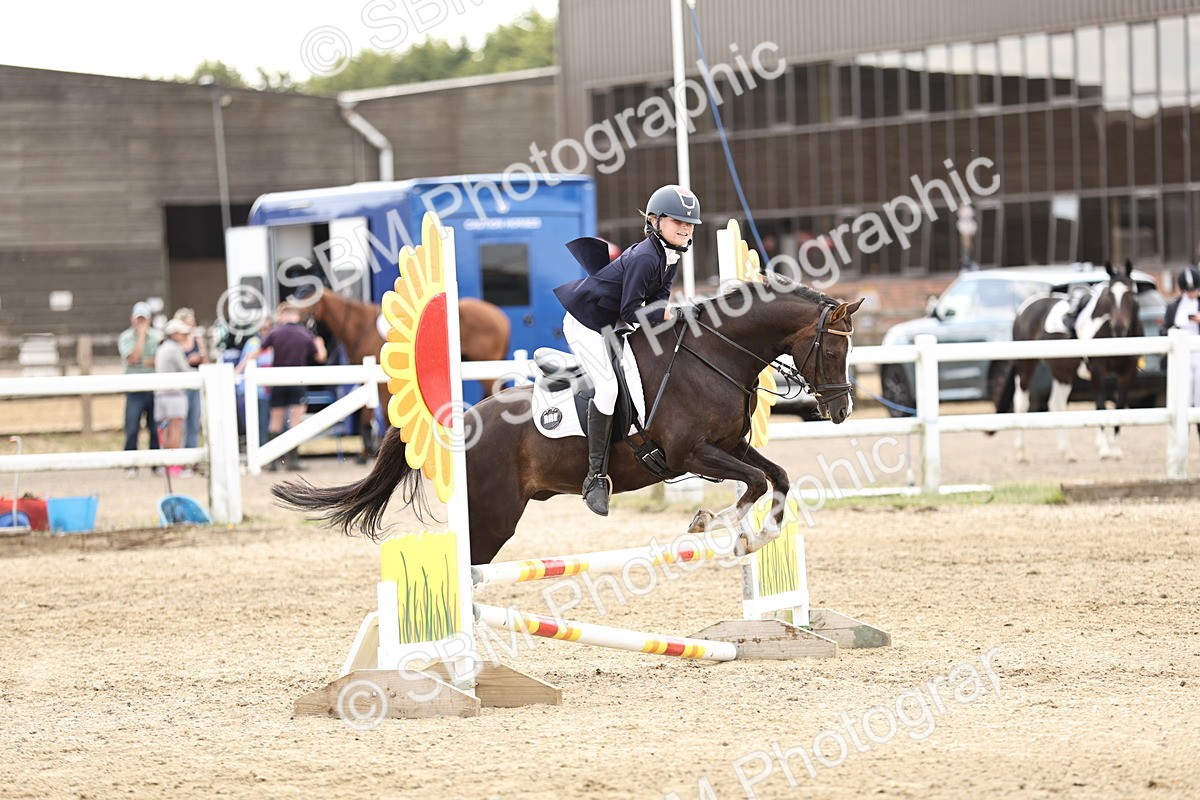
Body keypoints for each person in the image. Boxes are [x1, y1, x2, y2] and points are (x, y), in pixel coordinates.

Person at [553, 184, 702, 516]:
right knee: (606, 389)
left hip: (614, 322)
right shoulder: (646, 257)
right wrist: (676, 313)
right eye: (677, 221)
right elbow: (633, 311)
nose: (685, 228)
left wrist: (674, 320)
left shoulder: (669, 256)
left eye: (690, 224)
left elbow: (658, 304)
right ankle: (594, 478)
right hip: (585, 323)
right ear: (654, 221)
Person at [236, 304, 327, 470]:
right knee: (295, 421)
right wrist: (320, 344)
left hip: (277, 382)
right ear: (296, 316)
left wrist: (239, 370)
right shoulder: (304, 334)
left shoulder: (274, 333)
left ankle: (272, 462)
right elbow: (320, 357)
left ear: (283, 316)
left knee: (275, 422)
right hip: (297, 382)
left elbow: (254, 354)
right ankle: (292, 461)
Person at [117, 302, 163, 477]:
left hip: (154, 389)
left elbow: (159, 360)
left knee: (154, 428)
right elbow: (133, 358)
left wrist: (141, 361)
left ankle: (156, 463)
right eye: (138, 319)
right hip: (134, 390)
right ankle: (130, 465)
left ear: (149, 319)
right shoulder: (126, 337)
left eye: (144, 319)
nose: (141, 323)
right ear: (133, 319)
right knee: (132, 428)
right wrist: (142, 337)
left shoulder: (158, 336)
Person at [1163, 265, 1200, 446]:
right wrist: (1170, 330)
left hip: (1198, 356)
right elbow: (1165, 328)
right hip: (1182, 357)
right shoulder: (1174, 306)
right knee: (1182, 396)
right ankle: (1181, 439)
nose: (1193, 293)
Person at [155, 318, 192, 476]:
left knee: (167, 430)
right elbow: (184, 370)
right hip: (174, 394)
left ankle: (168, 465)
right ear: (174, 334)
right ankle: (175, 466)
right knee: (176, 429)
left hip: (162, 394)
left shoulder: (163, 347)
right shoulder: (174, 349)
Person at [172, 308, 208, 452]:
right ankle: (180, 456)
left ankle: (192, 453)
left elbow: (205, 360)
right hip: (181, 386)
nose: (192, 327)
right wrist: (187, 360)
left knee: (194, 421)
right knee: (181, 423)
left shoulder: (196, 339)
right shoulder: (176, 342)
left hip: (195, 384)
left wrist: (201, 356)